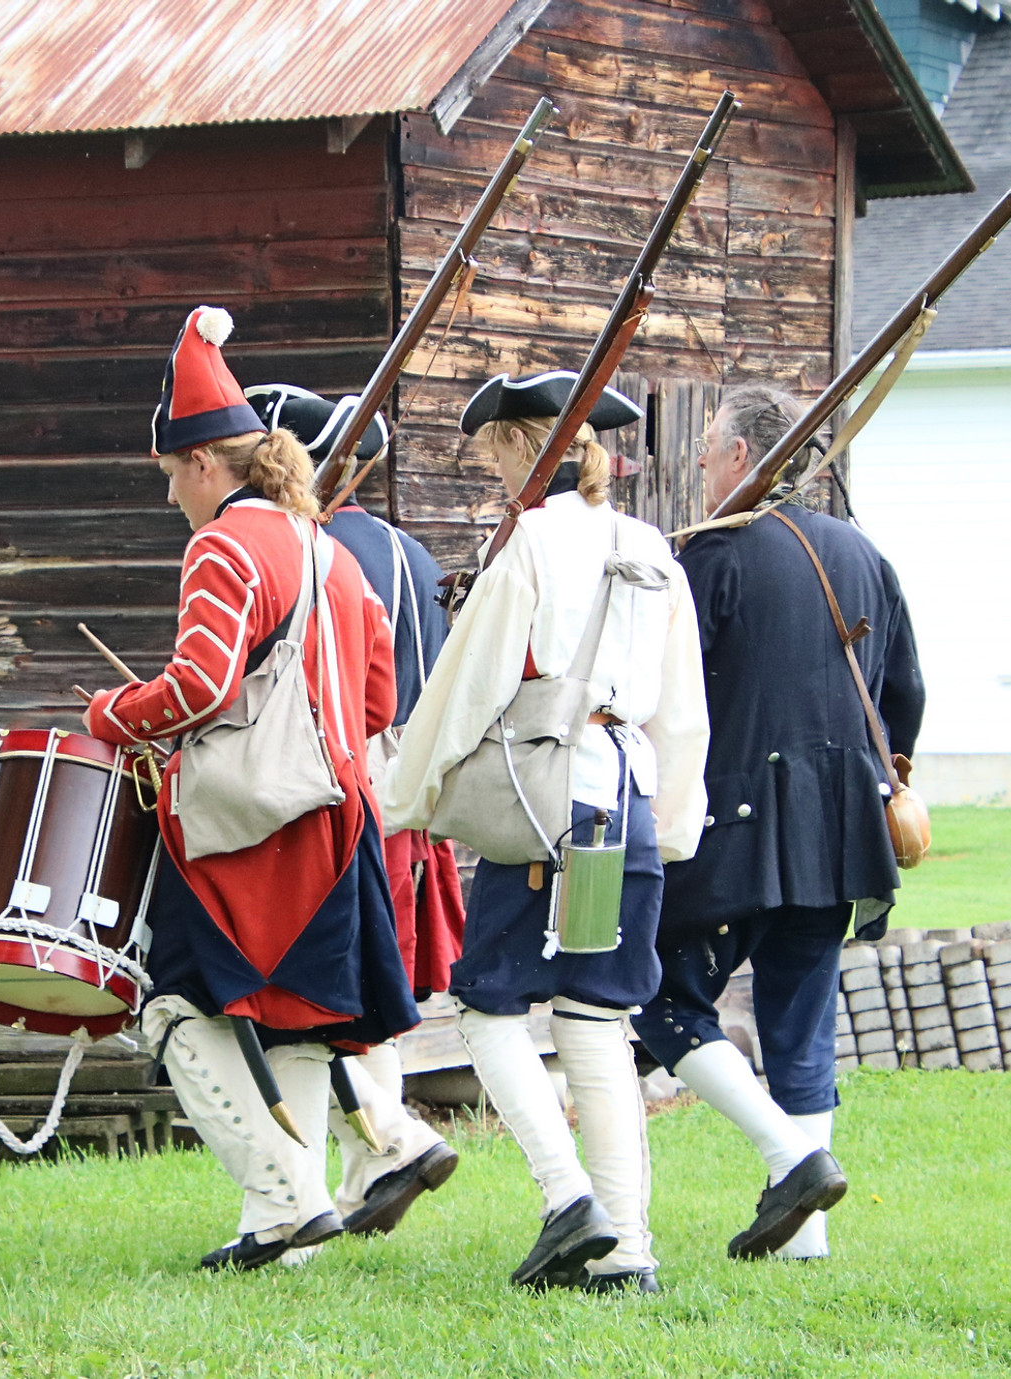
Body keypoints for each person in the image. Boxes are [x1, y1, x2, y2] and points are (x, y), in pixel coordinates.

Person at [84, 307, 425, 1271]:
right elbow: (377, 696)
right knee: (302, 1025)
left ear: (202, 465)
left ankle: (285, 1200)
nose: (171, 503)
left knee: (173, 1002)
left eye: (169, 480)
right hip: (338, 812)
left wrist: (113, 712)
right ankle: (284, 1240)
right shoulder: (328, 546)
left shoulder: (223, 548)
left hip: (251, 825)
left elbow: (199, 685)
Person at [379, 371, 709, 1293]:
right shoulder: (650, 545)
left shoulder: (529, 540)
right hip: (627, 805)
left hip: (546, 809)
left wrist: (404, 792)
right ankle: (630, 1253)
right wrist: (672, 823)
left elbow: (468, 682)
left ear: (524, 449)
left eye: (494, 455)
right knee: (598, 1021)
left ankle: (570, 1202)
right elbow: (681, 707)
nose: (493, 475)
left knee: (486, 1006)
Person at [635, 384, 925, 1261]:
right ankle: (809, 1239)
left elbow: (661, 697)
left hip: (733, 830)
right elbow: (902, 698)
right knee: (800, 1016)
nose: (695, 462)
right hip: (839, 834)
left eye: (710, 445)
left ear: (744, 456)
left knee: (653, 996)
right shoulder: (864, 554)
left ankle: (789, 1155)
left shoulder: (713, 559)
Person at [246, 381, 465, 1237]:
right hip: (403, 781)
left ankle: (384, 1144)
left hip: (336, 781)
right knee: (378, 991)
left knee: (315, 988)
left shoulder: (308, 550)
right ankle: (367, 1170)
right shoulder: (408, 553)